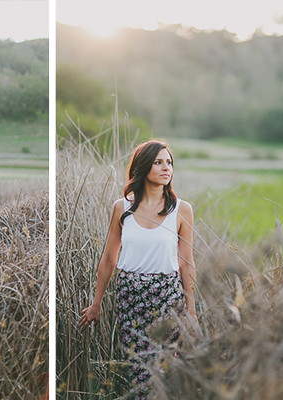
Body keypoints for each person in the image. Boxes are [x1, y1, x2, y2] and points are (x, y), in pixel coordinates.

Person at [78, 140, 198, 399]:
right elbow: (109, 258)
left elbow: (186, 262)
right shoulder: (122, 208)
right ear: (144, 167)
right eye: (159, 162)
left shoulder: (181, 210)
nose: (166, 168)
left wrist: (190, 311)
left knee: (164, 368)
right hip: (130, 298)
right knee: (139, 370)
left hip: (167, 297)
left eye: (169, 163)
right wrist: (96, 303)